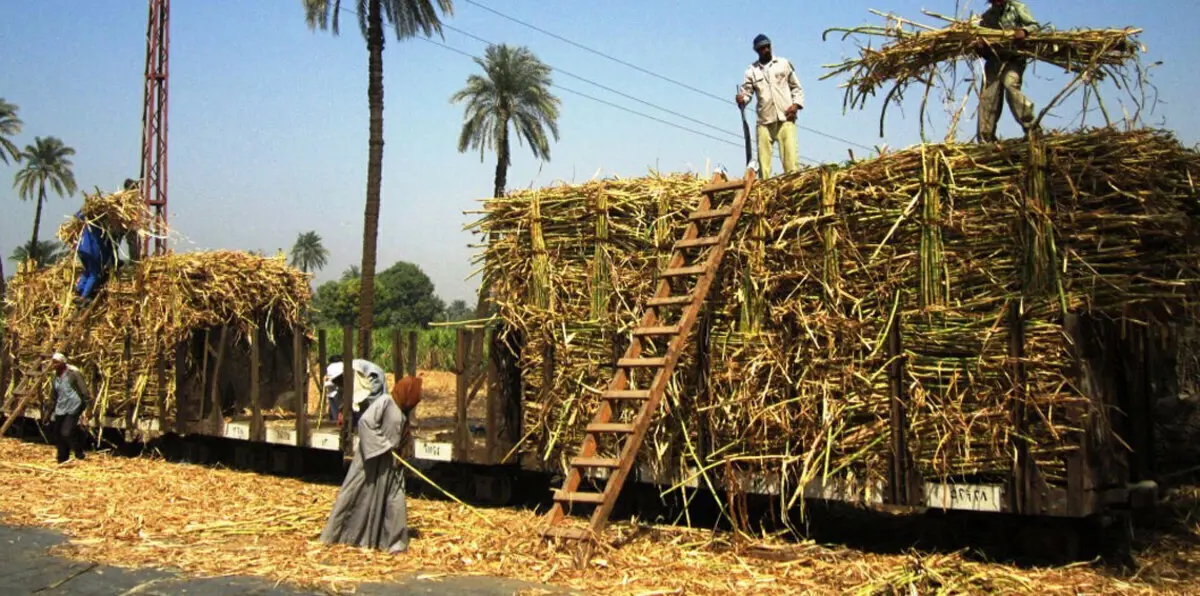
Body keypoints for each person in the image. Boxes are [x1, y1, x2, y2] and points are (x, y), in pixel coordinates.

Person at [319, 358, 413, 554]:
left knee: (394, 502)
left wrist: (401, 453)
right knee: (355, 495)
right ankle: (340, 536)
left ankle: (394, 543)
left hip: (390, 465)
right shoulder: (385, 402)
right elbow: (365, 423)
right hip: (372, 458)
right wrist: (384, 445)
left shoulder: (400, 408)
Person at [736, 34, 805, 178]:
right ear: (757, 50)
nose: (765, 50)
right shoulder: (751, 71)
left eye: (767, 46)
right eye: (762, 48)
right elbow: (747, 93)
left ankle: (791, 188)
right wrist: (742, 99)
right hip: (764, 121)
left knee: (791, 162)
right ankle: (763, 190)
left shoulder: (783, 64)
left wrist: (796, 105)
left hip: (785, 117)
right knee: (764, 164)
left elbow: (796, 88)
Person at [976, 0, 1041, 142]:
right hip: (994, 60)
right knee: (988, 97)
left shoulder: (1017, 8)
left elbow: (1035, 26)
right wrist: (981, 46)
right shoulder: (987, 16)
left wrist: (1024, 31)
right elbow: (981, 38)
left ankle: (1032, 129)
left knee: (1010, 85)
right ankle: (986, 138)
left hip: (1014, 58)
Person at [48, 352, 89, 464]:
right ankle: (62, 458)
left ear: (63, 363)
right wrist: (48, 411)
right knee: (58, 434)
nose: (53, 364)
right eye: (53, 362)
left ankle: (78, 451)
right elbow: (54, 395)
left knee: (66, 432)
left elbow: (84, 391)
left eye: (56, 362)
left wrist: (86, 407)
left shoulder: (73, 374)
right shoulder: (54, 376)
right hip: (61, 407)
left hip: (74, 405)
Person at [73, 212, 118, 304]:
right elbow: (110, 251)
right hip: (92, 252)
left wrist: (85, 210)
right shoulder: (104, 228)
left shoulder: (89, 222)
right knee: (94, 274)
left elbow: (77, 216)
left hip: (81, 249)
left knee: (88, 271)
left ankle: (79, 289)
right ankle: (83, 297)